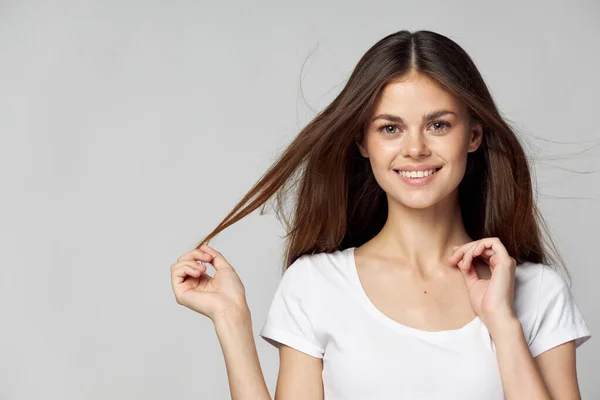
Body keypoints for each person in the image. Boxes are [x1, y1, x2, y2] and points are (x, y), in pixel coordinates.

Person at [169, 30, 592, 399]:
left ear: (474, 135)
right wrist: (231, 319)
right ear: (363, 142)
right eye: (390, 128)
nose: (415, 149)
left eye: (438, 125)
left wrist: (502, 322)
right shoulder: (315, 285)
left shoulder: (537, 293)